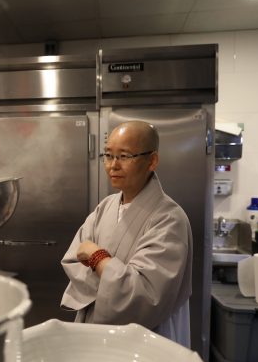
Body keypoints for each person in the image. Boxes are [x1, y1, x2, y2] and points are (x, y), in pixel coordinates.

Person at [60, 120, 192, 347]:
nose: (113, 165)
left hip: (146, 337)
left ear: (152, 160)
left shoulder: (169, 218)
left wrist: (97, 257)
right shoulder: (105, 207)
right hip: (96, 329)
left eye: (124, 156)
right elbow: (73, 259)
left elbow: (146, 294)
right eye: (108, 155)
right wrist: (110, 276)